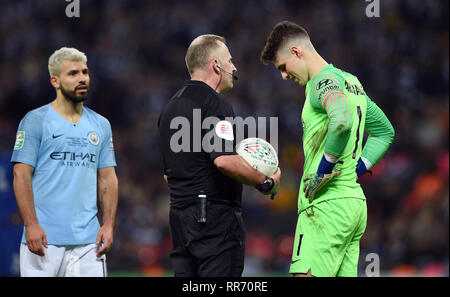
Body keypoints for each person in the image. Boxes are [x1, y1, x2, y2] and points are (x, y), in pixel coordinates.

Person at [260, 21, 395, 277]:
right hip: (352, 204)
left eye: (283, 67)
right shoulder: (351, 82)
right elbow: (385, 132)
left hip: (325, 207)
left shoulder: (323, 81)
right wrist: (357, 168)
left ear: (297, 52)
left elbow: (342, 119)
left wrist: (323, 171)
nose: (284, 76)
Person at [158, 34, 281, 277]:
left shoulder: (169, 108)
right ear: (216, 65)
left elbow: (167, 175)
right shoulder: (215, 103)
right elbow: (223, 160)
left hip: (180, 220)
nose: (234, 67)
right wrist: (265, 182)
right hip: (214, 220)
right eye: (230, 60)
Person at [11, 47, 118, 277]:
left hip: (89, 243)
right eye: (73, 73)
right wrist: (31, 224)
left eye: (85, 72)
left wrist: (108, 225)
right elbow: (21, 175)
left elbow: (108, 179)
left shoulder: (101, 125)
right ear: (55, 81)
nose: (82, 78)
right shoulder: (35, 121)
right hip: (43, 240)